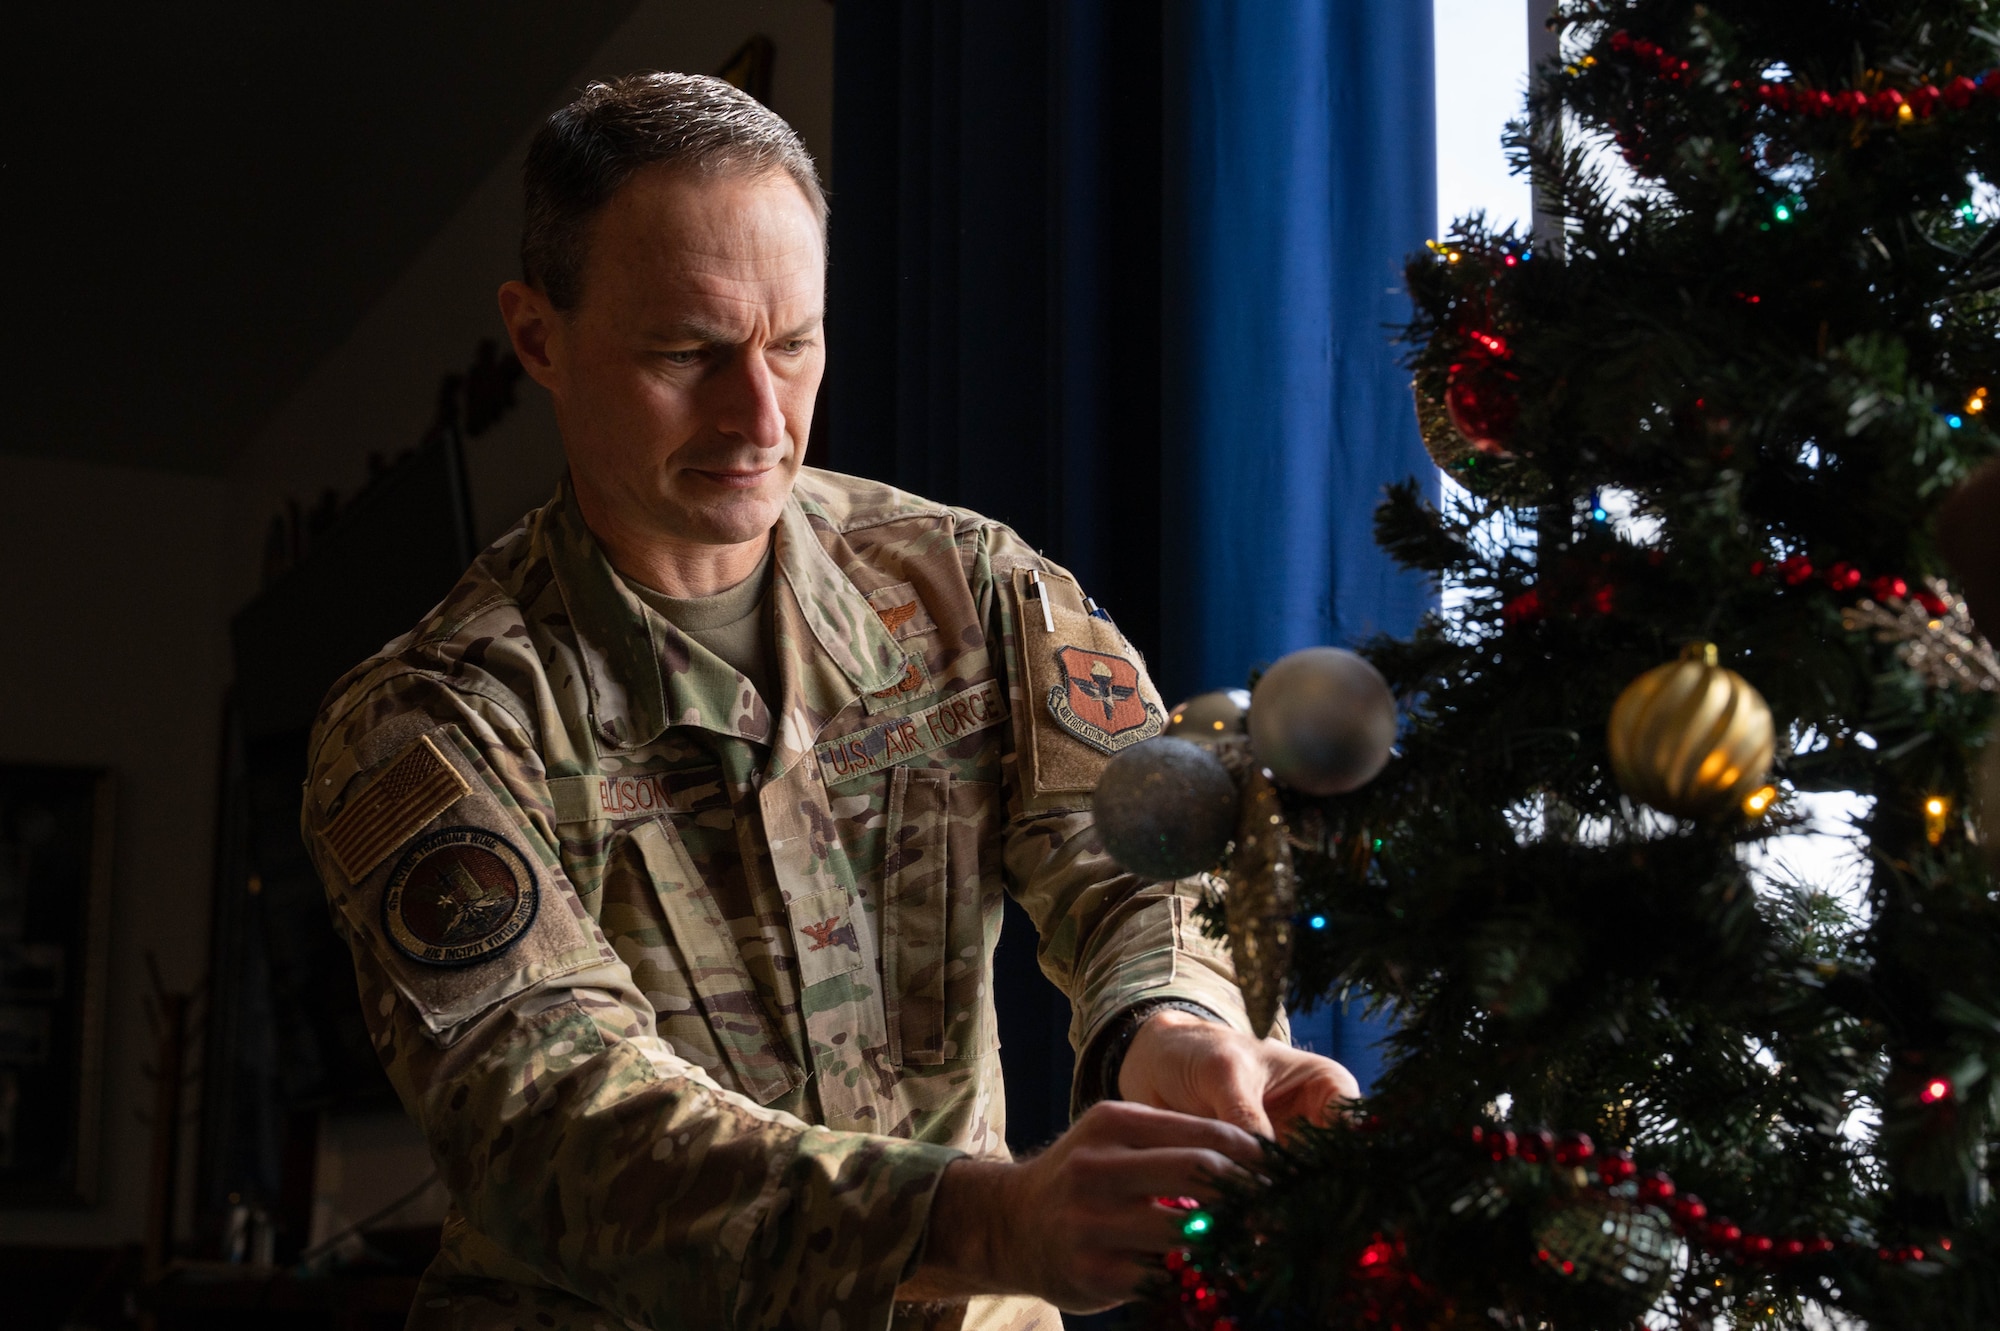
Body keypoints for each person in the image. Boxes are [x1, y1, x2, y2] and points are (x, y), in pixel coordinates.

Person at [301, 72, 1357, 1331]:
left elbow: (1153, 845)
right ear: (538, 338)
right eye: (685, 352)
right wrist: (991, 1223)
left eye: (793, 343)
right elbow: (553, 1120)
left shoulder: (967, 585)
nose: (759, 416)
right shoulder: (430, 721)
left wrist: (1167, 1018)